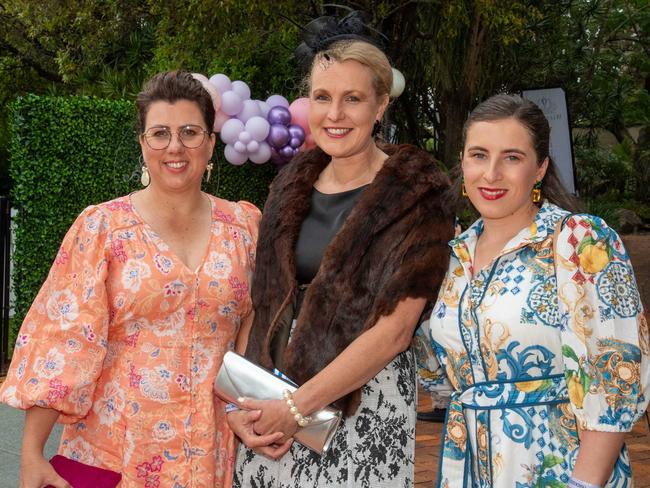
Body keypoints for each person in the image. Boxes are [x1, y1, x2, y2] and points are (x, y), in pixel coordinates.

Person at [0, 70, 262, 487]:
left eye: (190, 132)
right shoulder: (103, 228)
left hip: (211, 457)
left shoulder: (245, 228)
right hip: (115, 454)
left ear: (211, 142)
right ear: (143, 144)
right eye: (160, 133)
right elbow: (65, 341)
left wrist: (248, 407)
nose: (175, 147)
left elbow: (252, 330)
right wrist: (31, 452)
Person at [227, 35, 455, 487]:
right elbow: (264, 302)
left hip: (364, 407)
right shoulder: (289, 185)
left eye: (353, 99)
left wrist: (298, 408)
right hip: (271, 403)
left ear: (381, 105)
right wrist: (241, 404)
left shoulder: (419, 194)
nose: (335, 114)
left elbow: (395, 331)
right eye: (322, 97)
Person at [418, 93, 650, 487]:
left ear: (540, 168)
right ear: (462, 162)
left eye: (512, 157)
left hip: (555, 466)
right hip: (468, 465)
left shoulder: (579, 241)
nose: (491, 174)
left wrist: (584, 483)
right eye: (478, 155)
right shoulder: (453, 258)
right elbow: (437, 374)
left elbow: (615, 379)